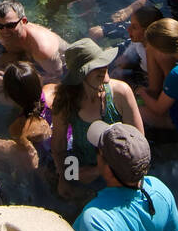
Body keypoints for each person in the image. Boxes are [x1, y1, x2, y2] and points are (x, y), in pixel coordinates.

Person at [50, 38, 144, 190]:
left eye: (104, 62)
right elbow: (59, 148)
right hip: (82, 168)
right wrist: (66, 178)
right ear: (80, 76)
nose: (104, 68)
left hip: (121, 168)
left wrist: (99, 170)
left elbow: (139, 143)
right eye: (96, 66)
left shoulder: (121, 93)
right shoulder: (65, 102)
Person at [0, 1, 67, 91]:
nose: (4, 31)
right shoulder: (3, 33)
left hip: (62, 70)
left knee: (4, 98)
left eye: (10, 26)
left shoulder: (42, 48)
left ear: (24, 21)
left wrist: (13, 82)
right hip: (33, 62)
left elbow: (56, 80)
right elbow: (12, 54)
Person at [0, 63, 55, 176]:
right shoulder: (52, 90)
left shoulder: (17, 128)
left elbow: (31, 164)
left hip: (50, 164)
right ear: (38, 79)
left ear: (10, 96)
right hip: (72, 148)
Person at [108, 3, 162, 82]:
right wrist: (123, 60)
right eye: (130, 25)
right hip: (141, 66)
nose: (128, 30)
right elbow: (130, 50)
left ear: (147, 32)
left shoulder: (156, 54)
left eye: (134, 27)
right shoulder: (138, 41)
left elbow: (156, 81)